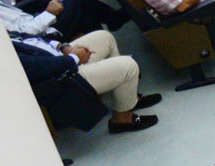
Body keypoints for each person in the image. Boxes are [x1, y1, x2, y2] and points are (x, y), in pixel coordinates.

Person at [9, 25, 155, 133]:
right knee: (128, 66)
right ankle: (122, 119)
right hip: (61, 77)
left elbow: (24, 37)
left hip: (58, 56)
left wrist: (63, 46)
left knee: (104, 37)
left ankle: (127, 99)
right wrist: (74, 58)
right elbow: (36, 68)